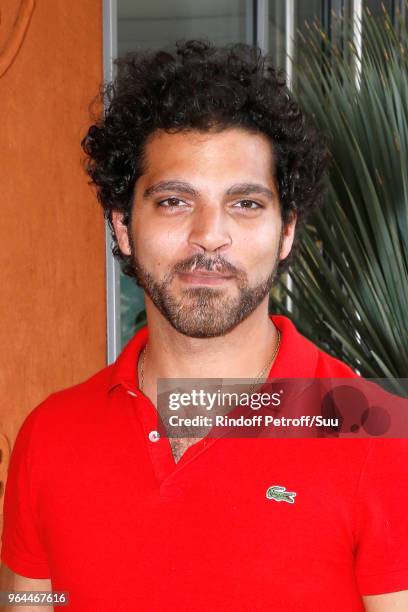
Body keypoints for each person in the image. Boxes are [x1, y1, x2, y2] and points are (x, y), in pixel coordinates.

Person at [1, 40, 408, 612]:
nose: (209, 234)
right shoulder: (49, 438)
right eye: (173, 201)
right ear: (122, 226)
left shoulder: (382, 441)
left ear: (287, 231)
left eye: (245, 204)